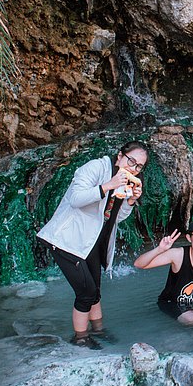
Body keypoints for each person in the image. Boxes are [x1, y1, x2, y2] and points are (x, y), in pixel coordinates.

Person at [37, 141, 148, 349]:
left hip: (92, 241)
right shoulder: (97, 168)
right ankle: (80, 337)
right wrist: (108, 185)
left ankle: (98, 330)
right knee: (86, 292)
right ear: (119, 156)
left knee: (96, 290)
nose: (133, 168)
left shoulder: (126, 182)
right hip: (67, 241)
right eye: (131, 161)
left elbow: (116, 217)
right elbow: (76, 199)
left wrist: (131, 202)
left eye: (139, 166)